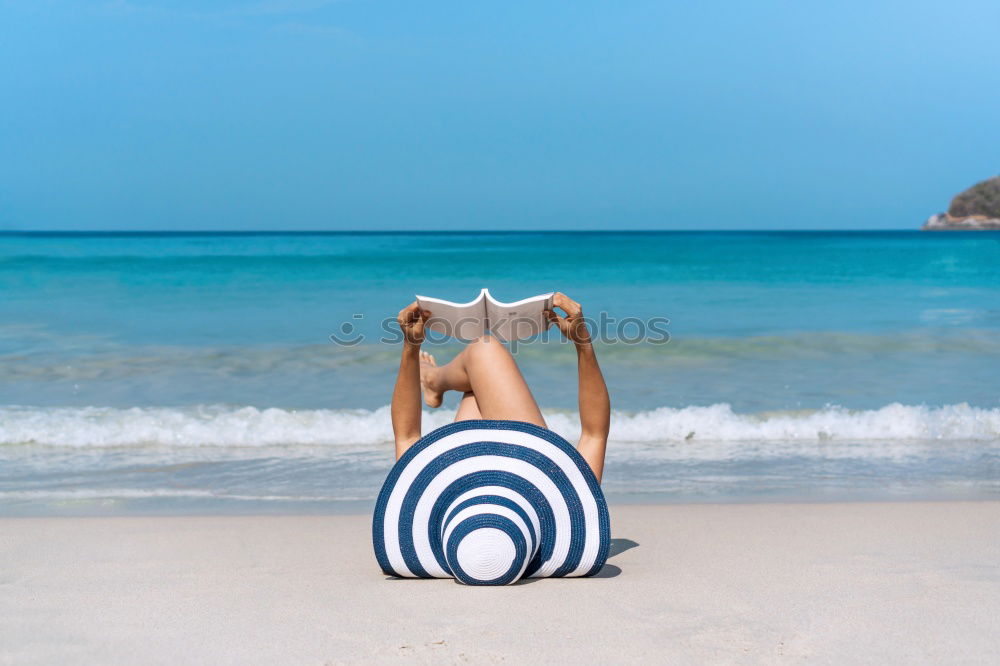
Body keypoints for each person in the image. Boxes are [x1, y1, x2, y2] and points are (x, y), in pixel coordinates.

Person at [390, 292, 611, 482]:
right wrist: (582, 343)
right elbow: (594, 434)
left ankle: (432, 380)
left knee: (481, 364)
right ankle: (435, 380)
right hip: (504, 484)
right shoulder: (568, 501)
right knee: (481, 368)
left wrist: (411, 347)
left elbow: (406, 436)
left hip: (516, 482)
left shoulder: (569, 510)